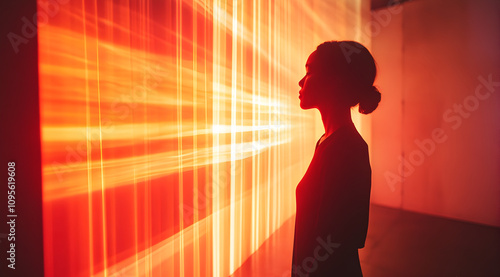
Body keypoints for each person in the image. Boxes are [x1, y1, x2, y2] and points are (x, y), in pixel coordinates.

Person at [291, 41, 381, 276]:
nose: (301, 81)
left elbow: (337, 244)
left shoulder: (347, 151)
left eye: (309, 71)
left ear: (333, 82)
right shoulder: (326, 142)